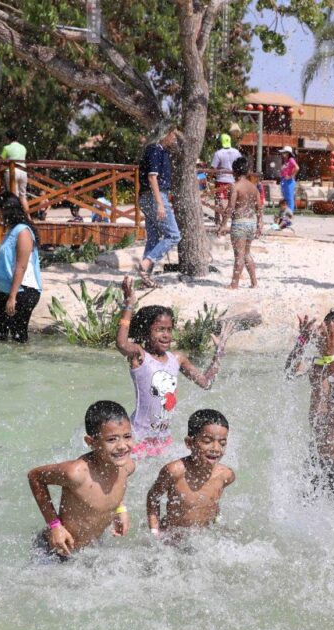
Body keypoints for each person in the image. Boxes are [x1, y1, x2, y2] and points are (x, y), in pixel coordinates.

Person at [116, 277, 228, 458]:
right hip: (138, 438)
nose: (166, 335)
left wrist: (219, 353)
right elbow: (121, 343)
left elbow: (206, 383)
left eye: (169, 329)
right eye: (160, 329)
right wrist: (129, 305)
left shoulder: (177, 359)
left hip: (163, 440)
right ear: (146, 331)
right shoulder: (140, 356)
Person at [27, 401, 135, 561]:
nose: (122, 446)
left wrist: (120, 509)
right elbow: (34, 476)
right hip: (57, 550)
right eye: (112, 440)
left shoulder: (127, 467)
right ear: (91, 442)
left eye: (127, 436)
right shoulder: (76, 473)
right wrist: (55, 526)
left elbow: (112, 488)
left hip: (90, 548)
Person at [284, 310, 334, 511]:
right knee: (302, 514)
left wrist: (329, 360)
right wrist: (301, 341)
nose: (332, 342)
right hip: (316, 460)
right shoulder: (317, 366)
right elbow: (290, 372)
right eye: (326, 336)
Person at [145, 409, 236, 543]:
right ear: (189, 443)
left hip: (203, 537)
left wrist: (217, 522)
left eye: (222, 443)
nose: (216, 448)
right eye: (207, 441)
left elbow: (212, 501)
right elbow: (153, 496)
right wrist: (155, 531)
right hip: (173, 535)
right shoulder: (175, 471)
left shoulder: (226, 475)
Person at [0, 192, 42, 343]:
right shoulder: (11, 230)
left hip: (22, 291)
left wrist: (12, 297)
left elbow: (21, 267)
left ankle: (22, 365)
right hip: (3, 288)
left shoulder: (23, 231)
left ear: (6, 209)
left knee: (18, 338)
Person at [136, 129, 182, 288]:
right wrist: (160, 203)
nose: (175, 138)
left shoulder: (159, 150)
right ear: (165, 134)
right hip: (154, 197)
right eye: (173, 134)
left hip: (147, 197)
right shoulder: (155, 149)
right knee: (174, 235)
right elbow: (152, 177)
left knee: (154, 238)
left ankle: (145, 278)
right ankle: (146, 263)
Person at [217, 156, 263, 289]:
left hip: (240, 224)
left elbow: (230, 207)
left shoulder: (236, 187)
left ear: (234, 171)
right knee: (247, 253)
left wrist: (223, 224)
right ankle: (254, 282)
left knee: (239, 255)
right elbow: (259, 208)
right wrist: (260, 223)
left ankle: (234, 284)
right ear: (248, 171)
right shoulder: (253, 188)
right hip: (251, 223)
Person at [210, 133, 242, 232]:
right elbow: (241, 164)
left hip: (221, 180)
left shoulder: (218, 153)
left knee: (220, 202)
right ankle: (230, 221)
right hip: (233, 181)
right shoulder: (236, 152)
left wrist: (209, 177)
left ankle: (219, 222)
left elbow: (213, 168)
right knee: (232, 202)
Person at [0, 129, 30, 214]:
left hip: (11, 172)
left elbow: (1, 161)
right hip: (23, 171)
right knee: (23, 196)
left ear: (7, 138)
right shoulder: (23, 147)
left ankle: (16, 215)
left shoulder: (6, 148)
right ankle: (28, 216)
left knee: (14, 196)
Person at [278, 146, 299, 227]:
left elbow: (297, 168)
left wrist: (291, 176)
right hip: (284, 180)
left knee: (290, 200)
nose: (283, 154)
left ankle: (289, 218)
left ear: (288, 153)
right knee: (286, 199)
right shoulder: (286, 161)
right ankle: (285, 217)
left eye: (284, 152)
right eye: (283, 152)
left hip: (289, 181)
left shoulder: (291, 160)